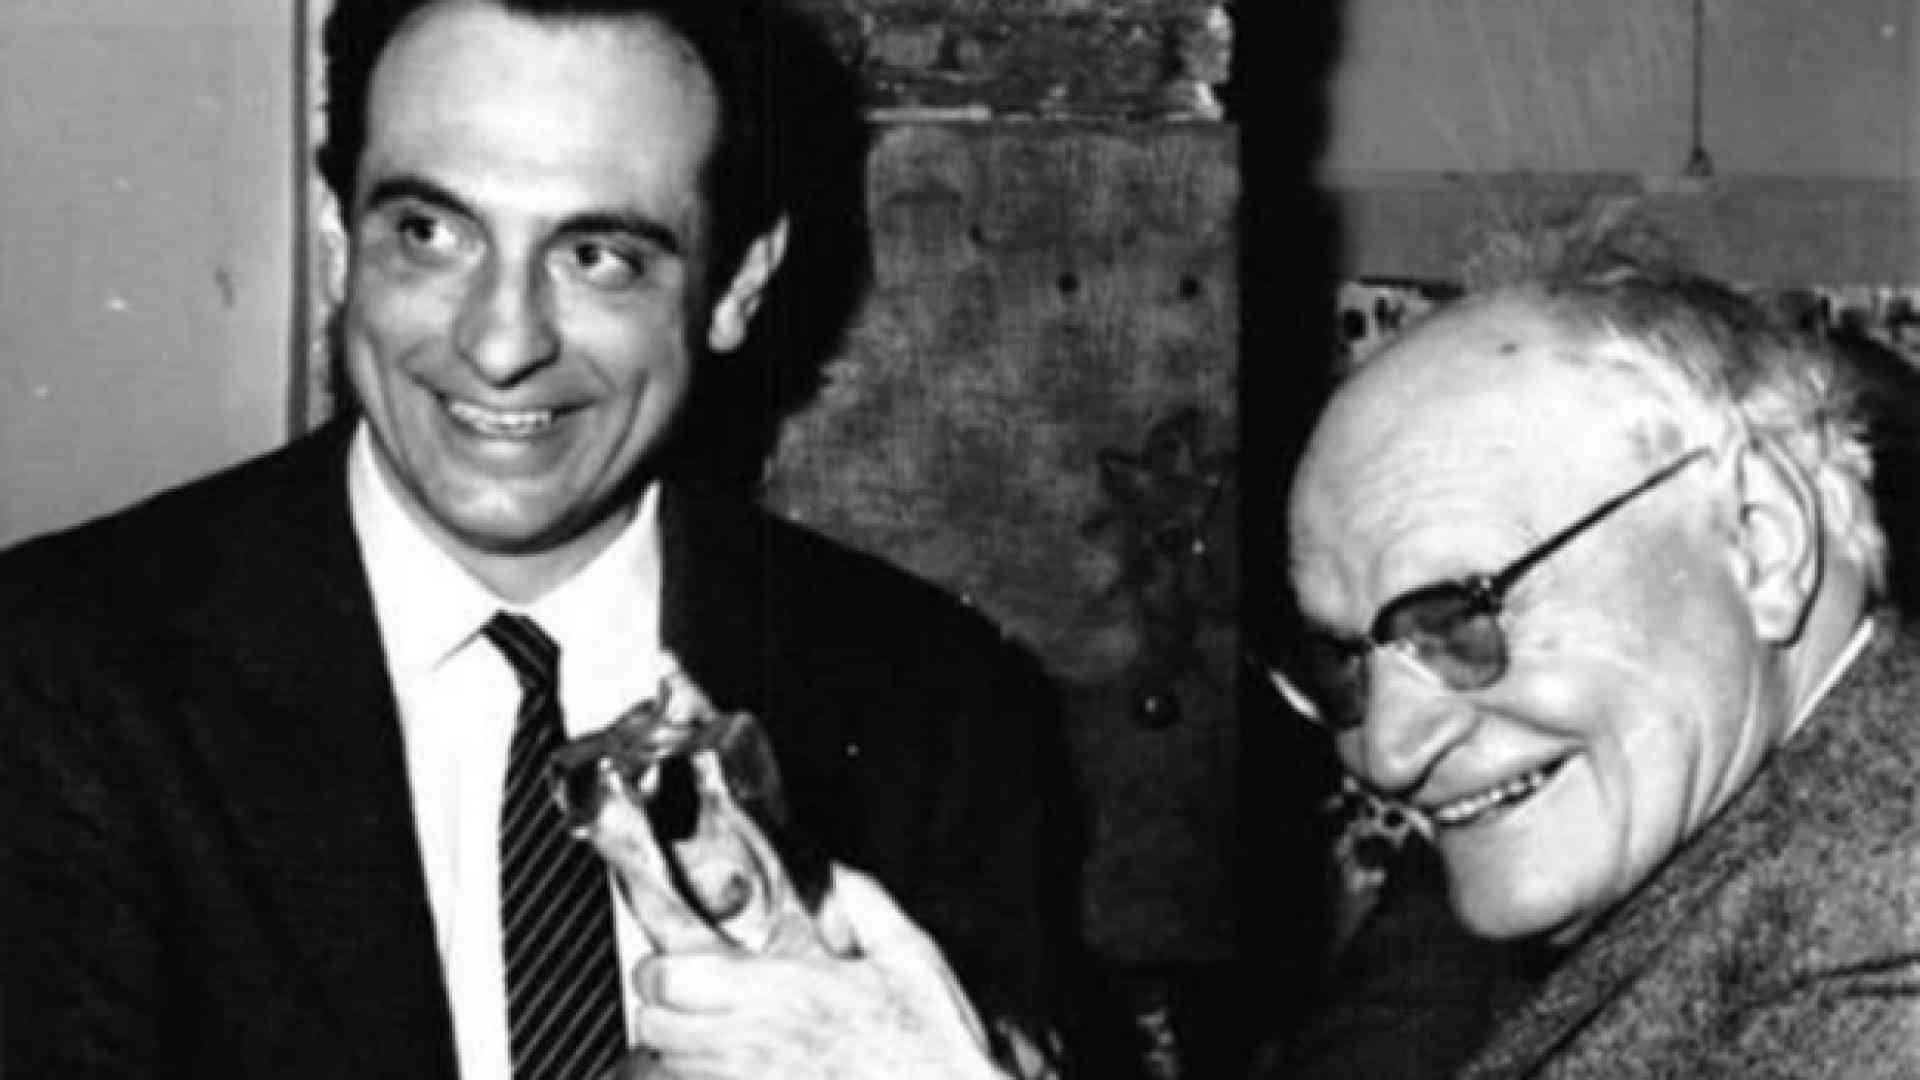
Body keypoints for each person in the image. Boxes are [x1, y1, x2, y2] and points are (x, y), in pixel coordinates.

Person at [0, 1, 1081, 1076]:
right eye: (430, 234)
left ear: (738, 286)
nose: (501, 343)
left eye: (598, 256)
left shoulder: (935, 702)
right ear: (337, 243)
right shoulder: (57, 674)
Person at [1263, 227, 1920, 1077]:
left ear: (1761, 543)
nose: (1387, 754)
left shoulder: (1880, 979)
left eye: (1464, 615)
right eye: (1342, 660)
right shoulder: (1666, 832)